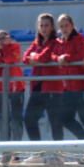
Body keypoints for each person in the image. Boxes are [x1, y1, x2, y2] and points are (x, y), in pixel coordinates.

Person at [22, 13, 65, 145]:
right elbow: (24, 58)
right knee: (29, 119)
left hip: (52, 88)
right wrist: (35, 57)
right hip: (38, 88)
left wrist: (34, 57)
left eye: (46, 25)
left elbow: (44, 58)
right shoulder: (36, 42)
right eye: (41, 25)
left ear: (52, 27)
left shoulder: (56, 42)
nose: (44, 28)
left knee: (55, 122)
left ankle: (58, 153)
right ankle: (38, 151)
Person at [52, 13, 84, 140]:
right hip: (67, 87)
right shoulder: (59, 41)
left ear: (72, 25)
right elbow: (53, 55)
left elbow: (83, 55)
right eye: (61, 26)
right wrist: (58, 58)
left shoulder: (79, 39)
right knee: (65, 118)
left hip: (80, 86)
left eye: (66, 25)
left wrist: (67, 57)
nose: (64, 29)